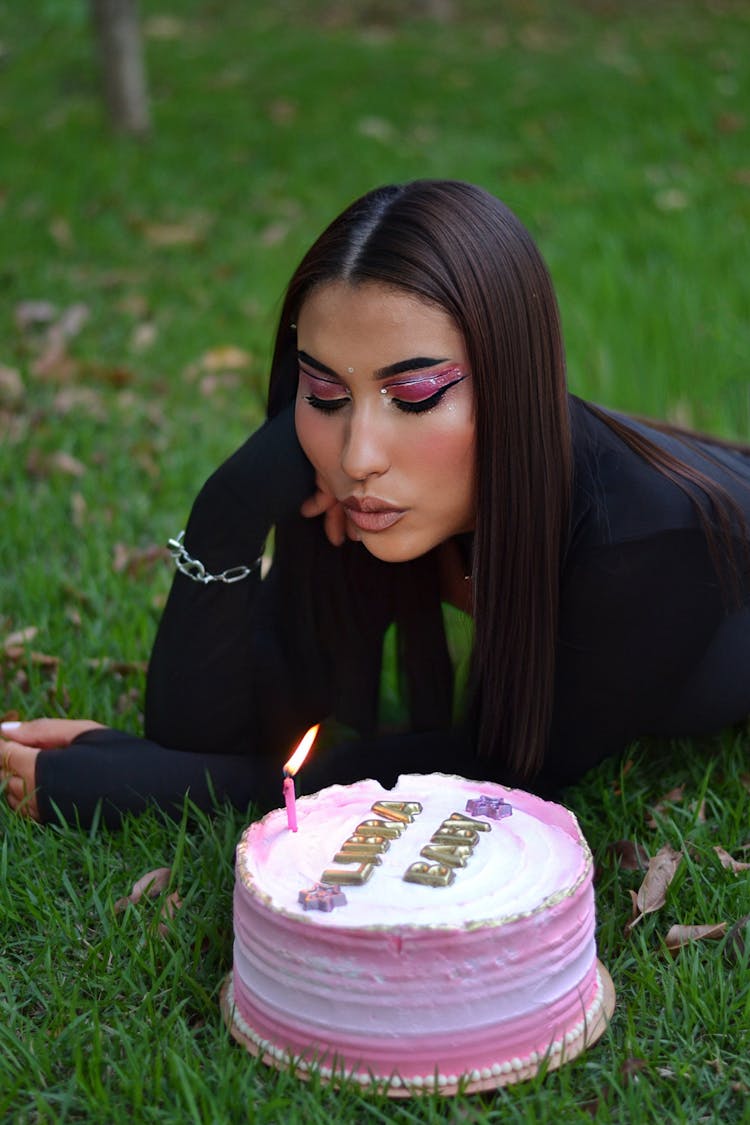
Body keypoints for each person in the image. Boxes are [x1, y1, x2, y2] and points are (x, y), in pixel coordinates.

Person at [2, 179, 750, 827]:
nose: (358, 455)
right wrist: (229, 508)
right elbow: (208, 723)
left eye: (414, 394)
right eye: (325, 391)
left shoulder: (648, 539)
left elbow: (506, 771)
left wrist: (155, 786)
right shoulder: (370, 493)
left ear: (513, 387)